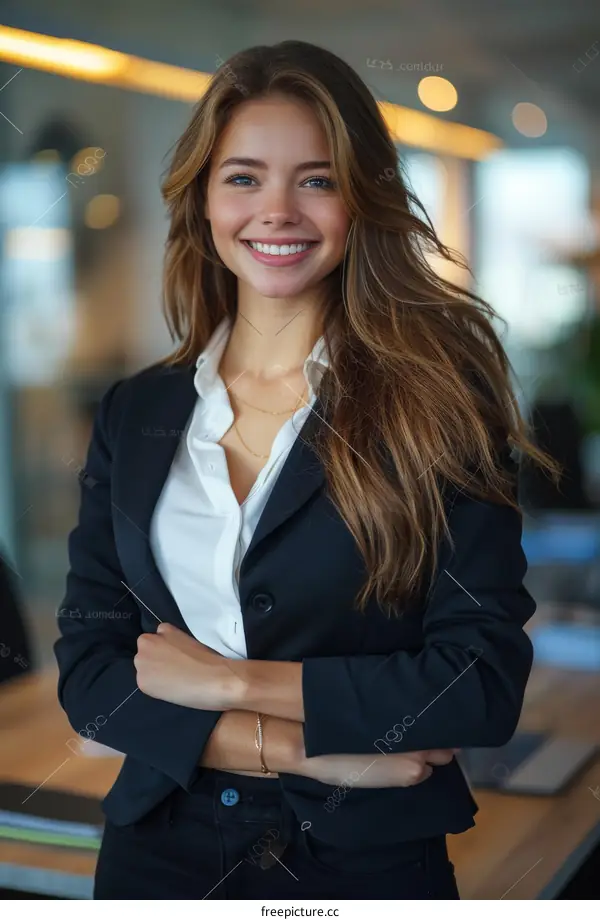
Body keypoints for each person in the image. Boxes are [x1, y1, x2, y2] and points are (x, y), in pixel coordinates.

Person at [53, 40, 560, 900]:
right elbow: (91, 676)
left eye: (316, 180)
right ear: (203, 199)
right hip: (156, 855)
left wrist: (229, 682)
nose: (277, 211)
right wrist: (295, 748)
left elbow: (478, 684)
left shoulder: (439, 405)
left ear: (361, 200)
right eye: (244, 178)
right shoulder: (137, 411)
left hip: (364, 867)